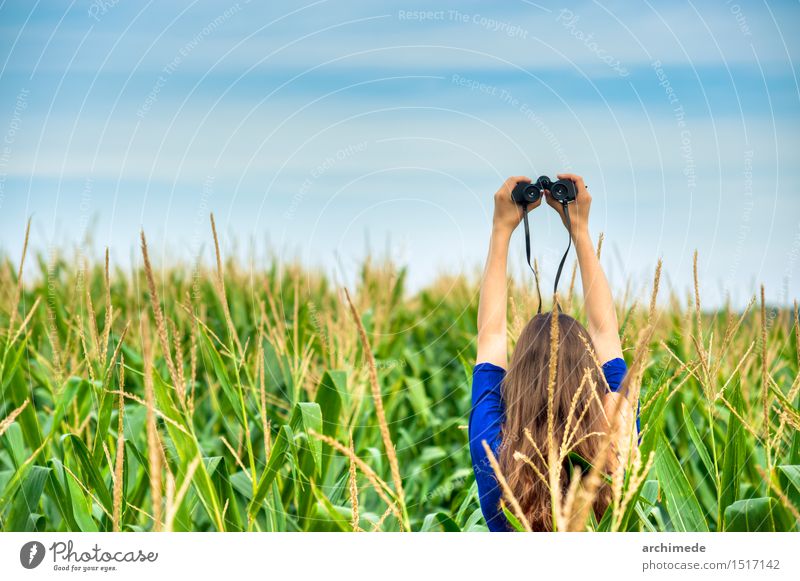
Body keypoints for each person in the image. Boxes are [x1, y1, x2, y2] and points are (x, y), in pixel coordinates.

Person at [469, 174, 638, 532]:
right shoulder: (617, 442)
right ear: (589, 374)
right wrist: (579, 229)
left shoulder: (495, 452)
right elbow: (606, 332)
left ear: (518, 378)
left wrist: (501, 229)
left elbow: (491, 338)